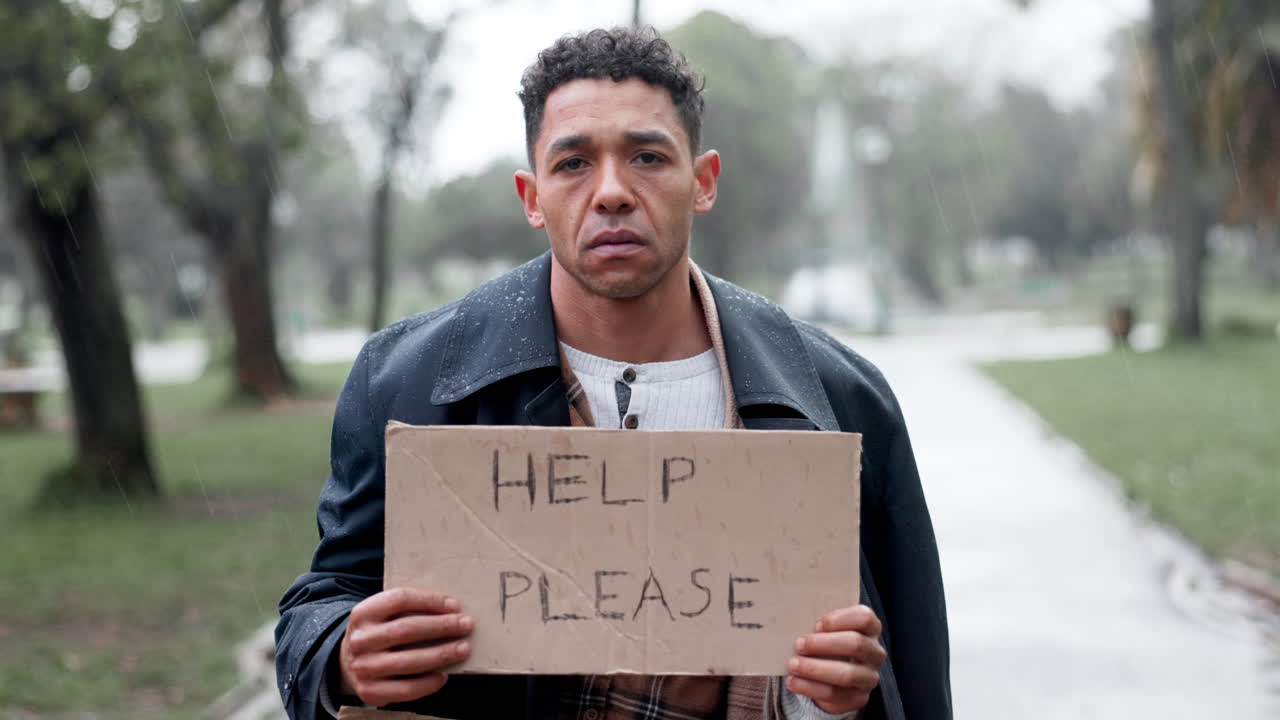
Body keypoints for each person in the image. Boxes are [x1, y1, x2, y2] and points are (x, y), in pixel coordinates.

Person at [276, 26, 950, 720]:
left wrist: (842, 698)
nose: (611, 192)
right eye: (573, 163)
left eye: (647, 156)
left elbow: (912, 667)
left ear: (703, 181)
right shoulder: (407, 384)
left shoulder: (839, 398)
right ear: (531, 196)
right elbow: (324, 598)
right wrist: (343, 654)